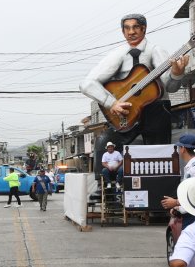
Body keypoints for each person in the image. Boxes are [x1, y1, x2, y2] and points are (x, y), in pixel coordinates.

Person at [80, 13, 188, 162]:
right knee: (104, 144)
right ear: (123, 31)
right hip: (127, 111)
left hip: (155, 109)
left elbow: (170, 88)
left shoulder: (155, 51)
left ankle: (158, 183)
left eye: (136, 27)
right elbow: (86, 84)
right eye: (127, 28)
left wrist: (177, 74)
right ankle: (110, 182)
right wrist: (111, 103)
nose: (131, 32)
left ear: (144, 29)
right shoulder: (117, 55)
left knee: (158, 153)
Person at [162, 132, 195, 230]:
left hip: (194, 216)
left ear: (183, 149)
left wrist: (176, 202)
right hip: (191, 213)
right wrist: (179, 208)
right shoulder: (194, 166)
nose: (178, 151)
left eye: (179, 148)